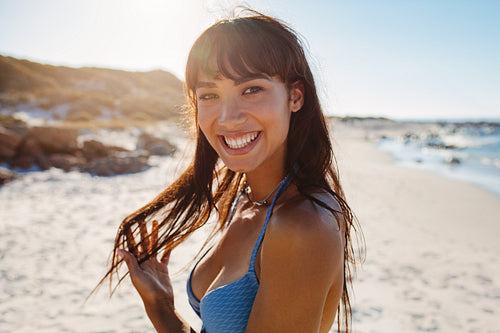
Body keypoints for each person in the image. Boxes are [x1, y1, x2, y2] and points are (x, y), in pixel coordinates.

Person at [100, 9, 362, 333]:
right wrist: (161, 308)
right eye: (210, 95)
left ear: (295, 96)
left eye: (251, 89)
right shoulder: (244, 198)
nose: (227, 118)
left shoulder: (303, 226)